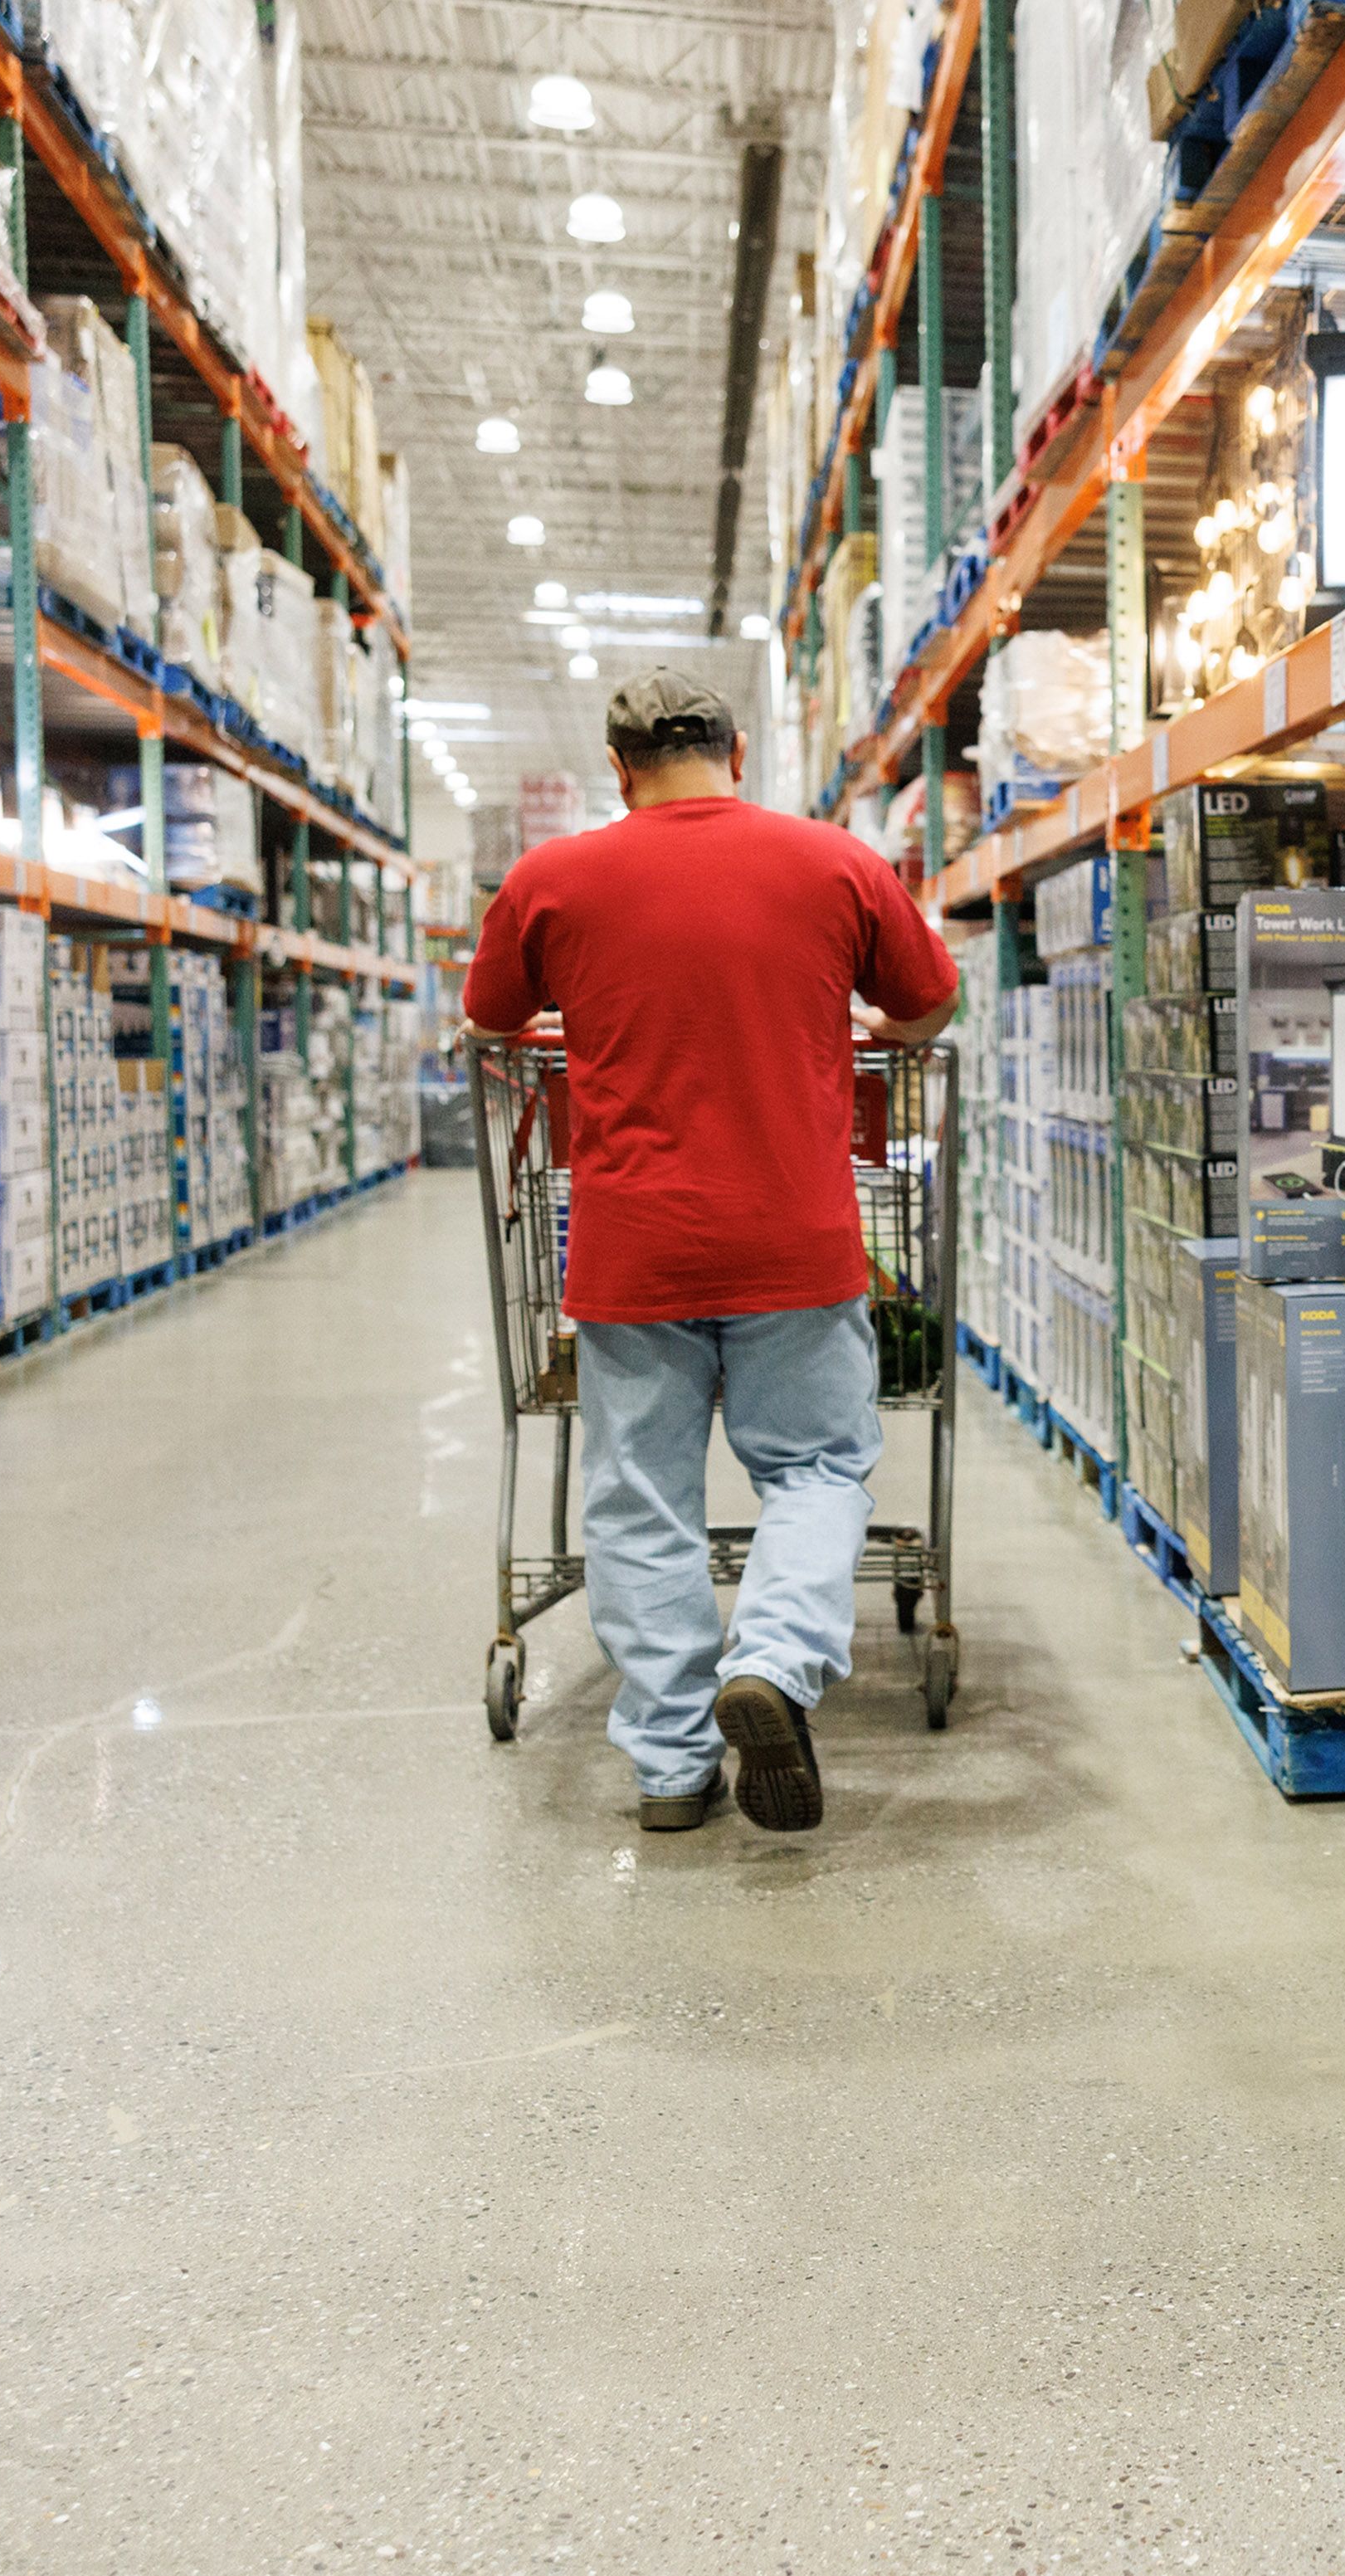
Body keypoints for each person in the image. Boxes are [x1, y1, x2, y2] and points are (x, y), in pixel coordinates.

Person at [462, 671, 961, 1833]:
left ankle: (671, 1767)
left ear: (618, 770)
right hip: (796, 1239)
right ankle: (775, 1663)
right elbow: (931, 1004)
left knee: (640, 1502)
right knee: (817, 1470)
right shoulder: (836, 863)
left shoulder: (550, 880)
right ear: (739, 756)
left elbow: (491, 1018)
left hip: (633, 1251)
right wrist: (875, 1027)